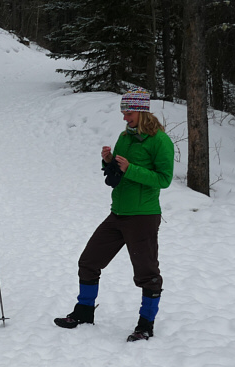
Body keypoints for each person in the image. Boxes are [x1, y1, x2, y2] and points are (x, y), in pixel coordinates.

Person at [54, 89, 173, 341]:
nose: (124, 118)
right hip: (117, 213)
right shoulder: (124, 137)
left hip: (143, 216)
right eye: (123, 113)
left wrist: (131, 169)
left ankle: (145, 324)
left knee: (147, 274)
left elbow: (164, 179)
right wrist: (108, 161)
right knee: (88, 262)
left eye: (128, 113)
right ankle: (84, 311)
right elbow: (117, 174)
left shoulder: (160, 141)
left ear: (141, 111)